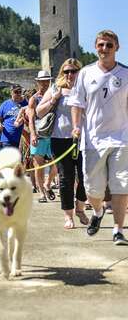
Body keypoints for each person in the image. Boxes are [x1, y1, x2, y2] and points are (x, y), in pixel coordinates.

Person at [68, 29, 128, 245]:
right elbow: (76, 103)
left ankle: (118, 230)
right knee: (93, 189)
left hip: (122, 139)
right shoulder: (85, 73)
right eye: (101, 45)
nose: (105, 49)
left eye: (109, 45)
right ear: (95, 47)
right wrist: (76, 126)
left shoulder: (126, 74)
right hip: (93, 140)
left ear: (117, 48)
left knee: (122, 186)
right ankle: (98, 210)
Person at [37, 58, 87, 229]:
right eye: (66, 71)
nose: (70, 74)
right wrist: (54, 99)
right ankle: (68, 215)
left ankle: (80, 208)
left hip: (83, 139)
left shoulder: (86, 88)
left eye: (73, 71)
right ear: (62, 73)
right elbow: (39, 112)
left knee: (85, 176)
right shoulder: (55, 88)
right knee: (66, 178)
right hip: (60, 139)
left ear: (79, 72)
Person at [28, 70, 56, 203]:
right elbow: (31, 119)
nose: (44, 83)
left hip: (54, 133)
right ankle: (41, 193)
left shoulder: (55, 96)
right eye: (42, 81)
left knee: (57, 164)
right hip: (39, 134)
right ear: (37, 82)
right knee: (39, 165)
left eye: (47, 80)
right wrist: (32, 134)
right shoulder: (34, 99)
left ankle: (47, 183)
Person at [0, 84, 28, 149]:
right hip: (6, 139)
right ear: (11, 92)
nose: (18, 94)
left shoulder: (26, 103)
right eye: (16, 92)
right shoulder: (5, 104)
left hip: (22, 139)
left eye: (20, 92)